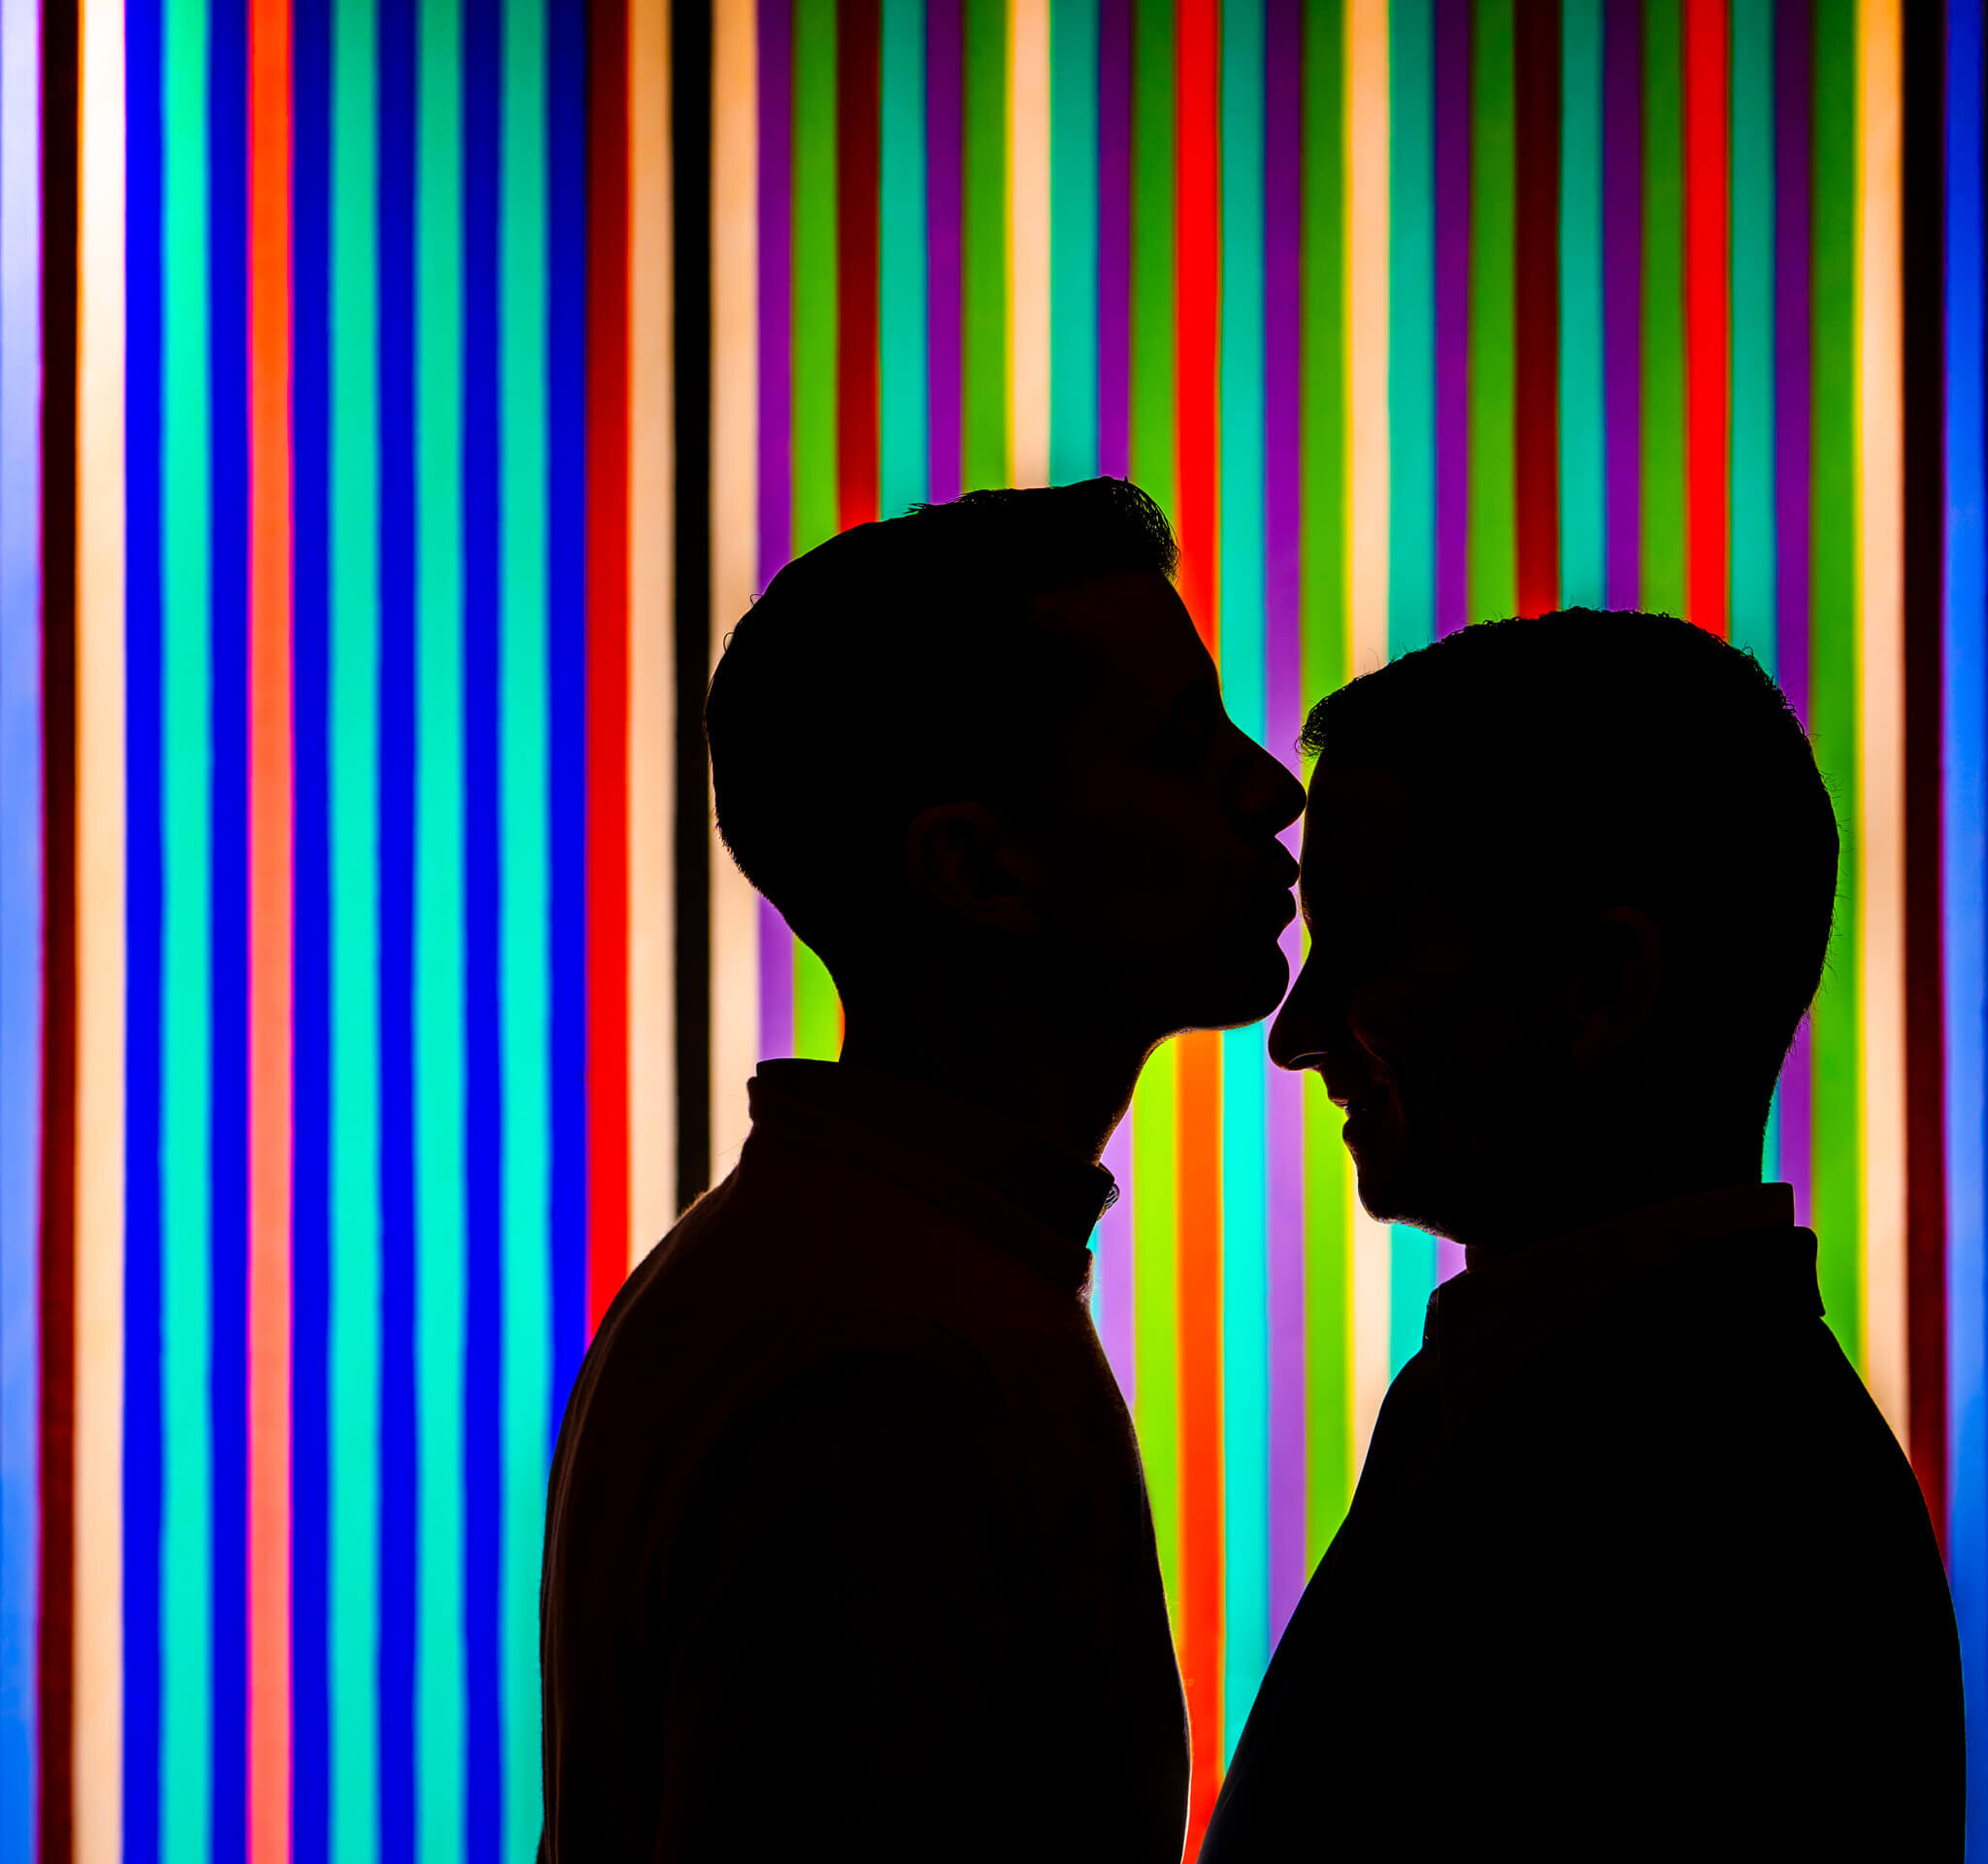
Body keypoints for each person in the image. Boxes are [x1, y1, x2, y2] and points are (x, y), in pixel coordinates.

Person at [539, 479, 1306, 1861]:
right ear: (980, 872)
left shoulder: (831, 1272)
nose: (1274, 786)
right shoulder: (892, 1360)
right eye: (1183, 747)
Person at [1204, 609, 1964, 1861]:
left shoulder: (1726, 1526)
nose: (1295, 1031)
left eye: (1361, 943)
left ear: (1600, 990)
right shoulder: (1598, 1414)